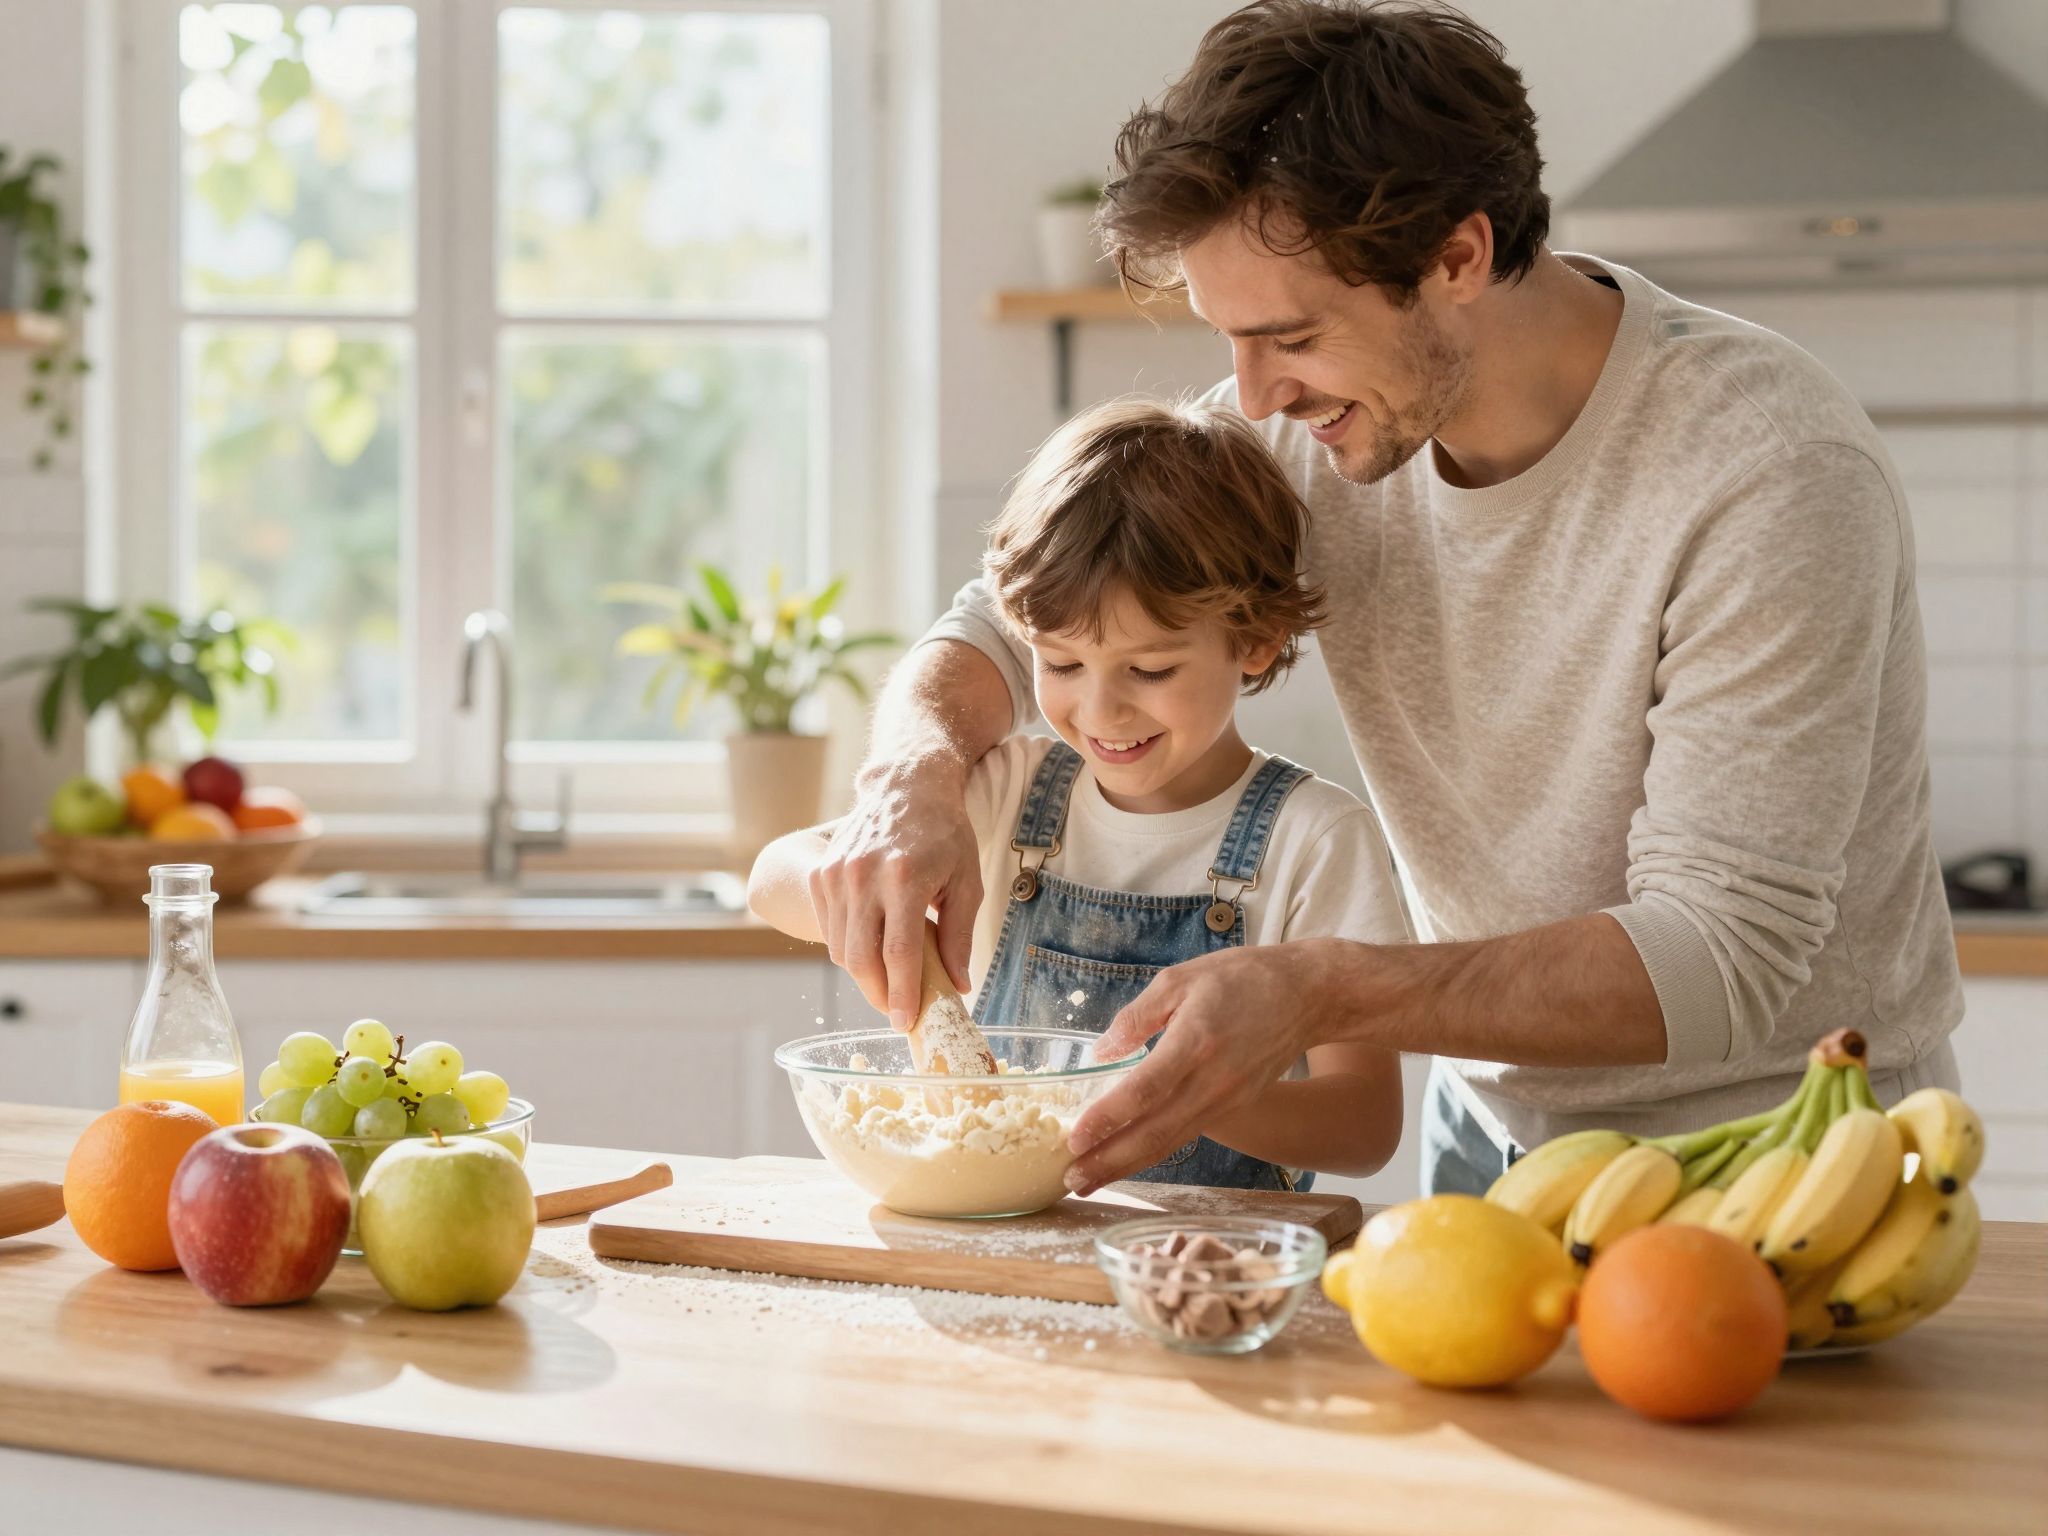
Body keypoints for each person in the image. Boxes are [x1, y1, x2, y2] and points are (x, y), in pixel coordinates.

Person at [807, 0, 1964, 1200]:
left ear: (1456, 257)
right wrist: (912, 780)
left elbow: (1723, 958)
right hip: (1484, 1130)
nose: (1250, 399)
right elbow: (998, 624)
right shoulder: (1311, 430)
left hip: (1784, 1148)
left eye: (1290, 337)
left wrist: (1320, 989)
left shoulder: (1762, 466)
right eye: (1231, 342)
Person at [750, 396, 1408, 1189]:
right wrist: (887, 926)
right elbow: (774, 874)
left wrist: (1192, 1094)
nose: (1100, 711)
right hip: (1013, 1257)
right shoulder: (1012, 791)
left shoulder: (1316, 841)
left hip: (1208, 1282)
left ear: (1257, 640)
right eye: (1061, 665)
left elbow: (1365, 1126)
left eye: (1152, 670)